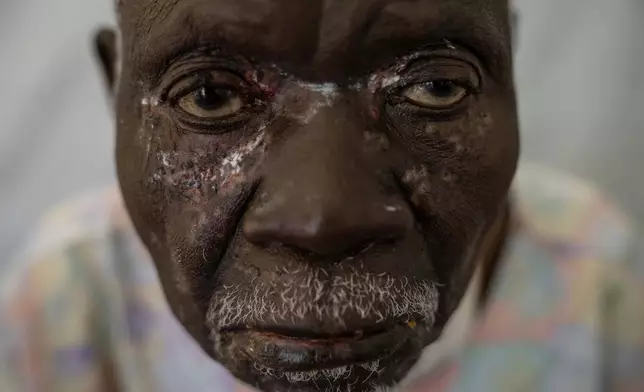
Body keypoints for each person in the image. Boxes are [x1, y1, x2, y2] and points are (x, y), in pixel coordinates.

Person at [0, 0, 642, 391]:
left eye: (436, 88)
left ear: (510, 76)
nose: (323, 216)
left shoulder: (597, 285)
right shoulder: (67, 303)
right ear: (117, 93)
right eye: (210, 96)